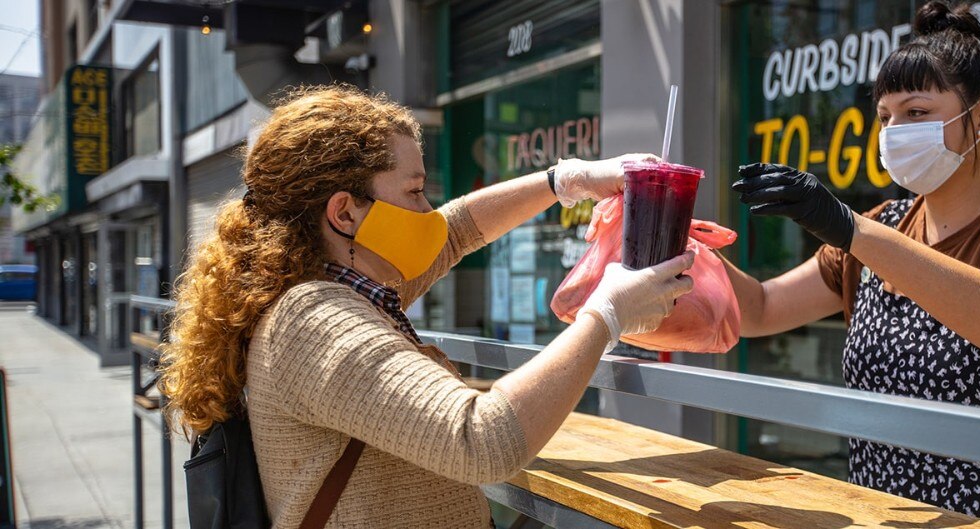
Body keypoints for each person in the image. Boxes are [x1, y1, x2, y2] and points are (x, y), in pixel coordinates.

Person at [158, 86, 693, 527]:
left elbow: (455, 231)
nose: (427, 209)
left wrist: (564, 181)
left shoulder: (333, 285)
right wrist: (608, 311)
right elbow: (481, 439)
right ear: (345, 212)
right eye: (414, 192)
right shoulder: (313, 319)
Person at [723, 2, 980, 526]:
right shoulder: (882, 225)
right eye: (885, 117)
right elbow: (759, 308)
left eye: (916, 113)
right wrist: (673, 229)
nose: (893, 132)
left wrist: (852, 230)